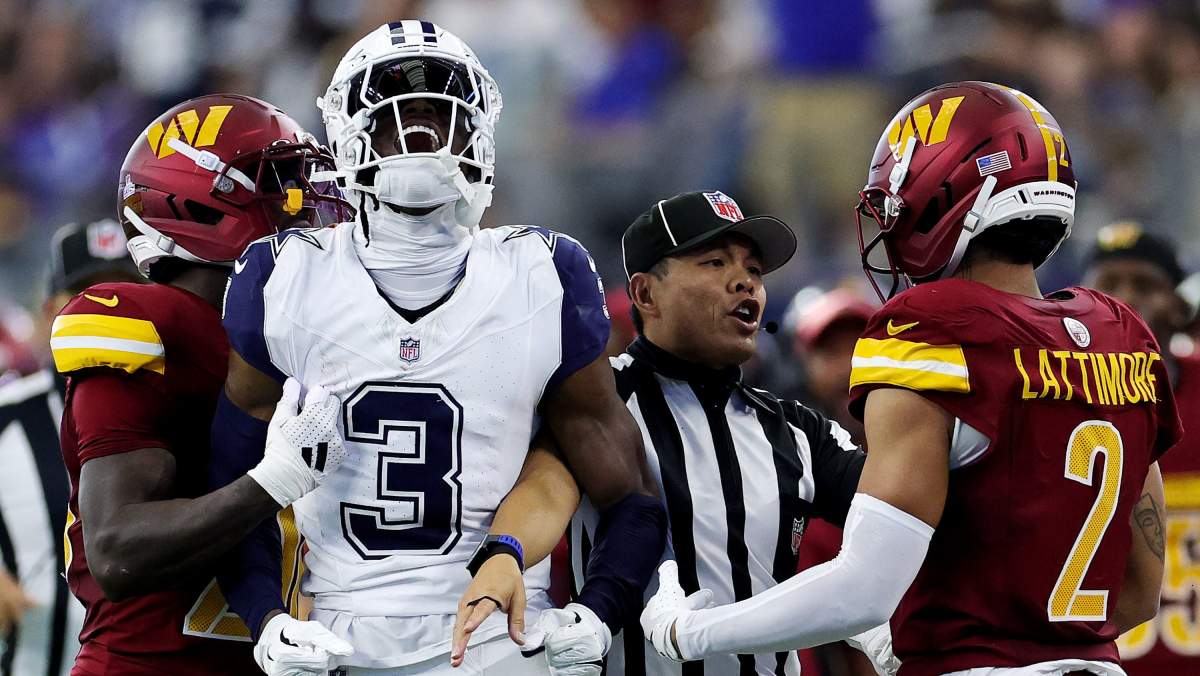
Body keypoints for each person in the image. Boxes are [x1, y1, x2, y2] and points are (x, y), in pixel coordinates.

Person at [641, 81, 1179, 676]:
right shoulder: (1120, 333)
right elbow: (1138, 594)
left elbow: (864, 589)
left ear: (948, 186)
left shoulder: (933, 326)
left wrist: (690, 630)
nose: (890, 217)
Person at [212, 21, 666, 676]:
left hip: (501, 635)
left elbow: (629, 494)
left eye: (440, 115)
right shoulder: (283, 276)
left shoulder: (543, 273)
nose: (419, 133)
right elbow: (232, 486)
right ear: (349, 134)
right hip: (335, 638)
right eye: (396, 117)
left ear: (477, 133)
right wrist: (266, 619)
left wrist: (598, 611)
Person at [51, 93, 353, 675]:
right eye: (282, 185)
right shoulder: (150, 325)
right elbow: (117, 550)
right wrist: (276, 480)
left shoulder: (300, 329)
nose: (307, 206)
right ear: (199, 205)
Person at [569, 190, 876, 676]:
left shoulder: (798, 430)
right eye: (715, 263)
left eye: (754, 270)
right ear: (645, 294)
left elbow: (910, 510)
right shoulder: (594, 402)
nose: (744, 281)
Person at [0, 219, 139, 676]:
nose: (108, 311)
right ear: (48, 312)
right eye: (86, 293)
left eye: (126, 292)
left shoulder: (197, 411)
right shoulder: (6, 417)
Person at [1082, 222, 1200, 676]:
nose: (1125, 299)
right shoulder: (1047, 396)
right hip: (1098, 662)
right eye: (1108, 285)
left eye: (1145, 285)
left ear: (1180, 307)